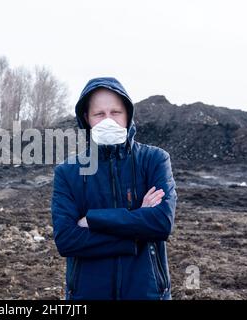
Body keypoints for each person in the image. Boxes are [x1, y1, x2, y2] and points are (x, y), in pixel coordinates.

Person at [51, 77, 177, 300]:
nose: (108, 120)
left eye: (115, 112)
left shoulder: (154, 160)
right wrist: (136, 231)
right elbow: (67, 239)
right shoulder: (68, 172)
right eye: (99, 114)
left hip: (147, 293)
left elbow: (161, 223)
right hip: (88, 295)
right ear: (87, 119)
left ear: (128, 115)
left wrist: (92, 221)